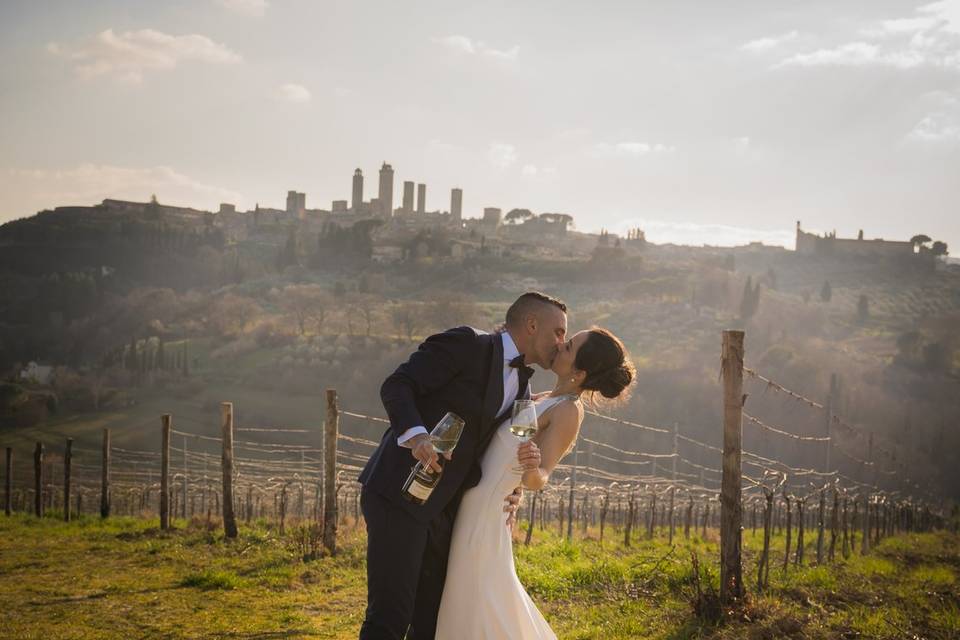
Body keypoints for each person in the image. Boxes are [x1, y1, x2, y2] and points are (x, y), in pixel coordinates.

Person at [358, 292, 569, 639]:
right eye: (558, 332)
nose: (561, 343)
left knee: (431, 623)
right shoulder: (467, 343)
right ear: (532, 325)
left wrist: (514, 490)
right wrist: (417, 437)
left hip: (445, 513)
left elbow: (504, 449)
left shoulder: (525, 388)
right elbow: (398, 384)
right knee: (389, 618)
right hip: (399, 494)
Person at [434, 327, 635, 639]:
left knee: (474, 594)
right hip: (474, 501)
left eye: (568, 347)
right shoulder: (541, 398)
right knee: (473, 593)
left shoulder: (568, 411)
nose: (559, 346)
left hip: (487, 511)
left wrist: (529, 468)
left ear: (579, 373)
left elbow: (540, 477)